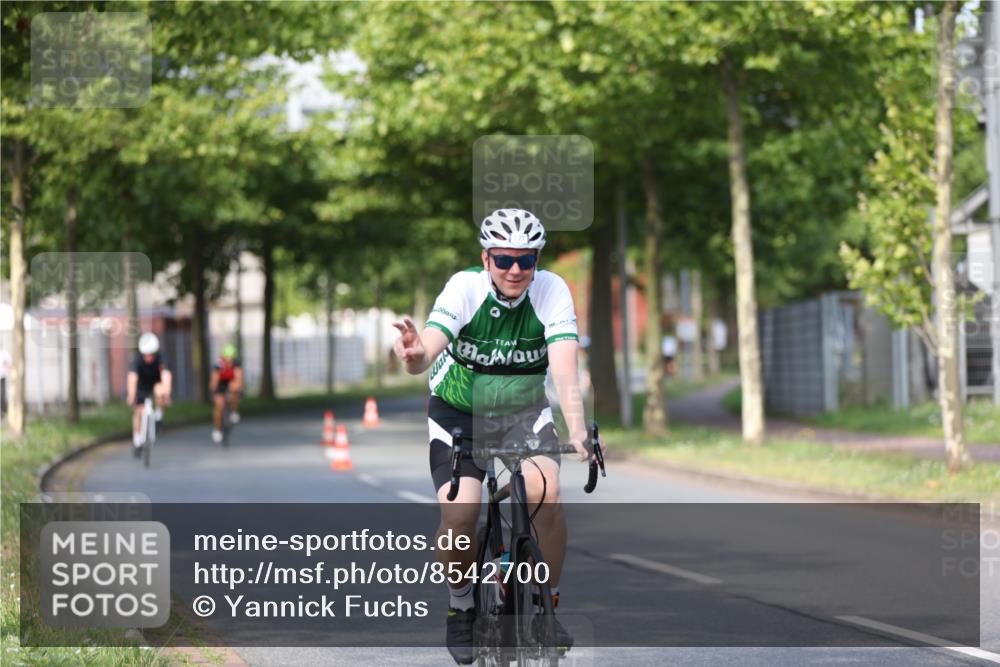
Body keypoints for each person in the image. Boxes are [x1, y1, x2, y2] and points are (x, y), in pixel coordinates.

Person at [392, 208, 602, 664]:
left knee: (546, 490)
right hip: (459, 412)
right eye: (504, 259)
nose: (515, 270)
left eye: (526, 260)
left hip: (522, 412)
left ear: (537, 261)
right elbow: (426, 349)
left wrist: (577, 428)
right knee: (461, 513)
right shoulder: (464, 288)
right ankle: (462, 604)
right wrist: (413, 356)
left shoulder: (550, 290)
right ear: (486, 258)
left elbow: (564, 364)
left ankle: (547, 606)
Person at [126, 332, 172, 453]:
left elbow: (166, 376)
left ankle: (159, 415)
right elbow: (132, 378)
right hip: (142, 385)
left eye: (152, 355)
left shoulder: (162, 358)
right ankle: (137, 440)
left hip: (156, 382)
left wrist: (167, 395)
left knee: (160, 391)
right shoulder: (137, 359)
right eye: (146, 355)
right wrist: (131, 396)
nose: (149, 358)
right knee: (138, 412)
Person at [210, 343, 243, 443]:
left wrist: (238, 388)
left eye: (231, 358)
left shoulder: (236, 364)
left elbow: (239, 378)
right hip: (220, 384)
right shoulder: (219, 364)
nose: (229, 361)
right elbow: (214, 380)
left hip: (231, 381)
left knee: (235, 389)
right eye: (227, 358)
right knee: (219, 406)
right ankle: (217, 429)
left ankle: (233, 411)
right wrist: (213, 391)